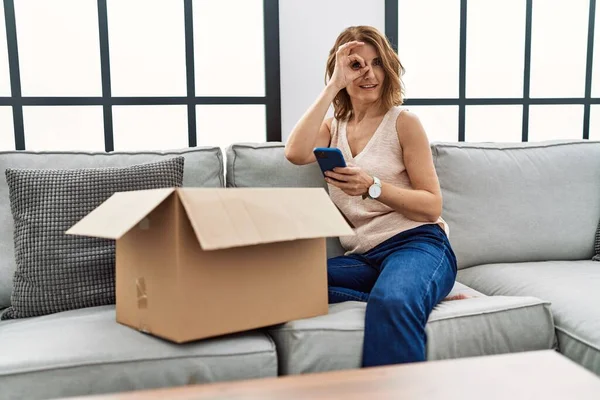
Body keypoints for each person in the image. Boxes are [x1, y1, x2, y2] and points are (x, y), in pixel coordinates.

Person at [284, 26, 462, 367]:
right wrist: (332, 85)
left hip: (417, 243)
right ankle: (420, 292)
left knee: (394, 302)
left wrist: (372, 186)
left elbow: (431, 206)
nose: (368, 73)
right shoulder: (333, 127)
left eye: (377, 63)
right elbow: (294, 152)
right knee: (285, 279)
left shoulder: (404, 123)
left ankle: (410, 291)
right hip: (365, 257)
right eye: (356, 64)